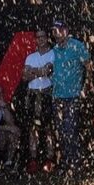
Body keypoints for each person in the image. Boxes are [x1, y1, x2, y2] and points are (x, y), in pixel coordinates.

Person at [46, 19, 90, 173]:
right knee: (60, 130)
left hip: (72, 95)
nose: (55, 34)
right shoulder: (55, 49)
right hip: (57, 95)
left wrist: (86, 87)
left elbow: (88, 66)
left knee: (70, 129)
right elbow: (51, 68)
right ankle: (65, 162)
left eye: (58, 30)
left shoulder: (77, 46)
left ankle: (75, 163)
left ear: (65, 30)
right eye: (53, 31)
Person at [19, 30, 57, 168]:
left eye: (43, 36)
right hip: (32, 95)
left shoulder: (53, 54)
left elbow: (46, 71)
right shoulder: (30, 57)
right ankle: (33, 159)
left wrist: (33, 71)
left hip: (46, 94)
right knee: (32, 129)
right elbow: (24, 77)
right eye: (38, 37)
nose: (40, 39)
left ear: (47, 38)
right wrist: (39, 71)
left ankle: (49, 159)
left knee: (48, 128)